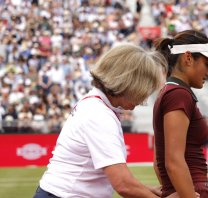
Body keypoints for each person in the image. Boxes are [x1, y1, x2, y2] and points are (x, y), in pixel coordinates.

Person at [34, 43, 170, 198]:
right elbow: (123, 185)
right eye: (143, 89)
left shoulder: (95, 103)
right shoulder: (99, 115)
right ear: (129, 83)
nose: (143, 99)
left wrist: (148, 190)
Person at [153, 30, 208, 198]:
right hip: (193, 190)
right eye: (207, 64)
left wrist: (172, 190)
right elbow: (173, 161)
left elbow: (159, 163)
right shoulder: (179, 94)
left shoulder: (169, 92)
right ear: (188, 58)